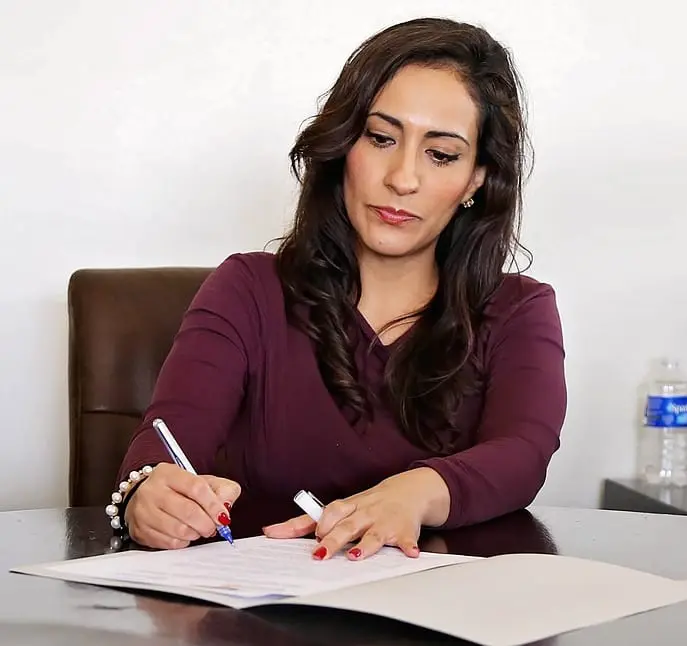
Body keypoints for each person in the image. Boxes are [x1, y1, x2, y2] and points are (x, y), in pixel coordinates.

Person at [109, 16, 567, 561]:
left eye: (440, 154)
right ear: (345, 144)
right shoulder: (247, 288)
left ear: (476, 179)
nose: (402, 178)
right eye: (381, 138)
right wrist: (148, 494)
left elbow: (523, 454)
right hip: (259, 622)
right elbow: (165, 442)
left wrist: (411, 493)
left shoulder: (520, 310)